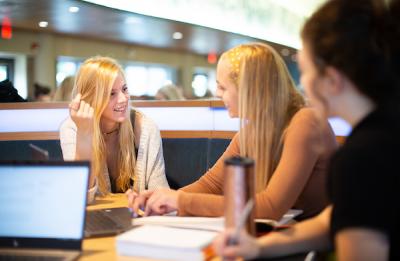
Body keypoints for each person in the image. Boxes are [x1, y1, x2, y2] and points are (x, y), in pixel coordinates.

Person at [213, 0, 400, 260]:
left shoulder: (363, 157)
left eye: (306, 71)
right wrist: (259, 247)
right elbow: (332, 220)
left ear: (332, 80)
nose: (303, 84)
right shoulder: (382, 132)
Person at [127, 42, 337, 220]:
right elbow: (211, 184)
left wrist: (179, 200)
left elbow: (271, 207)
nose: (217, 94)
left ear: (249, 89)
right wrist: (160, 198)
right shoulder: (251, 131)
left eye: (223, 87)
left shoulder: (305, 122)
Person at [60, 56, 169, 204]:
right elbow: (79, 197)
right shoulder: (72, 128)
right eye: (111, 94)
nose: (123, 99)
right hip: (94, 220)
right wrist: (85, 134)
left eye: (124, 89)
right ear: (92, 98)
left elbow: (161, 194)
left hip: (140, 219)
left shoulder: (146, 128)